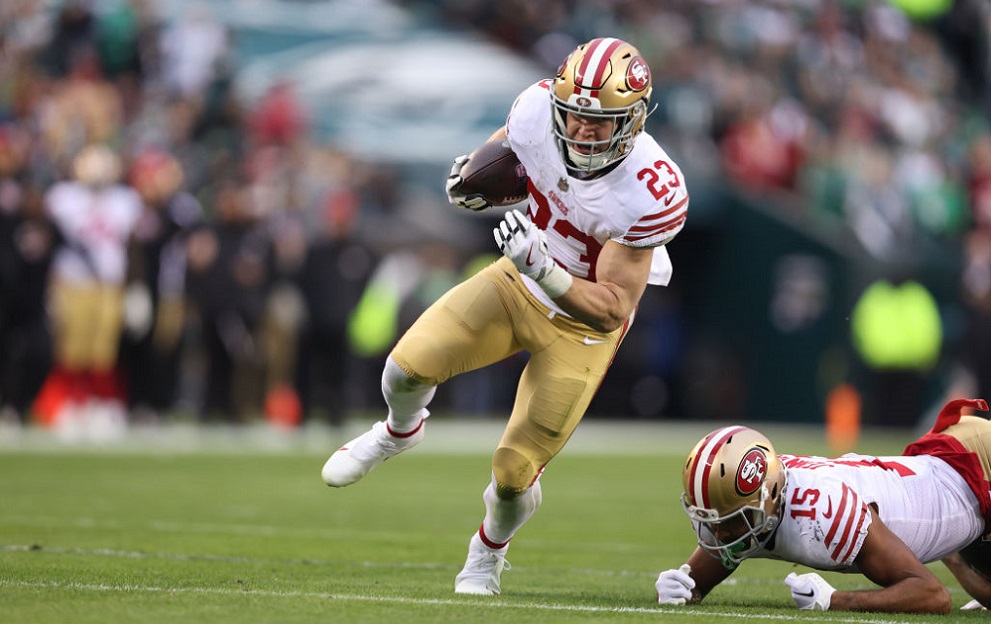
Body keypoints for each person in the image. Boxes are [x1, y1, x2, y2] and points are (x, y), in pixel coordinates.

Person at [321, 37, 688, 595]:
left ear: (634, 119)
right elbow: (508, 149)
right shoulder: (537, 110)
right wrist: (473, 175)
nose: (584, 132)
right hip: (517, 281)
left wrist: (545, 269)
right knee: (403, 368)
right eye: (576, 117)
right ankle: (399, 431)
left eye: (602, 122)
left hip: (579, 325)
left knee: (515, 473)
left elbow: (612, 310)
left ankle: (485, 557)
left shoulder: (649, 188)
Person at [655, 397, 991, 614]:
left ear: (768, 499)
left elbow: (932, 596)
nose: (720, 532)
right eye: (713, 520)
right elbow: (696, 582)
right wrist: (679, 588)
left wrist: (835, 600)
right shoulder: (750, 506)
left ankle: (959, 553)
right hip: (940, 474)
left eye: (730, 521)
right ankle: (959, 554)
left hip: (975, 463)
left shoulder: (822, 511)